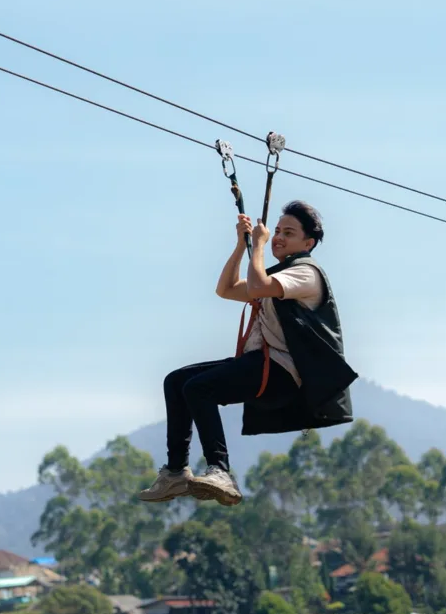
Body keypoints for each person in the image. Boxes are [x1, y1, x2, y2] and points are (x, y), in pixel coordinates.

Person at [138, 200, 358, 506]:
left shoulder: (306, 272)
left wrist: (258, 245)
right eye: (278, 230)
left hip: (281, 372)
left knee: (198, 388)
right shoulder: (276, 274)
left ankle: (220, 470)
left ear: (308, 243)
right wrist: (242, 247)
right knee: (175, 381)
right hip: (260, 363)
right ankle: (176, 472)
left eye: (289, 233)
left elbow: (257, 286)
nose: (279, 237)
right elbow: (226, 289)